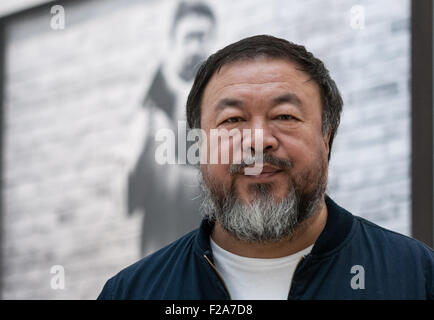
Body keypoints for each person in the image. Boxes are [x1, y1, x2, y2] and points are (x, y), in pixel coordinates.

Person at [100, 35, 433, 299]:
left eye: (284, 116)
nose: (258, 140)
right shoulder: (133, 292)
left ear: (327, 138)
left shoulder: (417, 278)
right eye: (232, 120)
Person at [126, 1, 216, 256]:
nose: (197, 48)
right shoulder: (151, 109)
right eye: (190, 38)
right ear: (172, 43)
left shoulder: (225, 108)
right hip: (163, 265)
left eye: (204, 38)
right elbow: (129, 196)